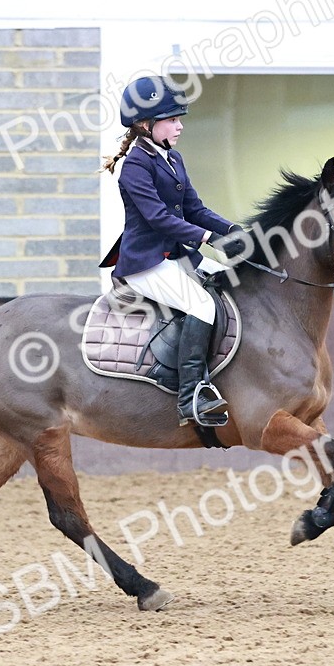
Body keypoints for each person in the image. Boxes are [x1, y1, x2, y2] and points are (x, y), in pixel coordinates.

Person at [99, 75, 247, 427]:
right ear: (145, 125)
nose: (179, 126)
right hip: (145, 263)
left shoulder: (173, 158)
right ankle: (191, 394)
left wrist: (232, 229)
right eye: (172, 120)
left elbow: (194, 207)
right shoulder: (134, 166)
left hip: (178, 257)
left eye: (179, 119)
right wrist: (209, 238)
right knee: (201, 304)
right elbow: (159, 218)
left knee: (231, 282)